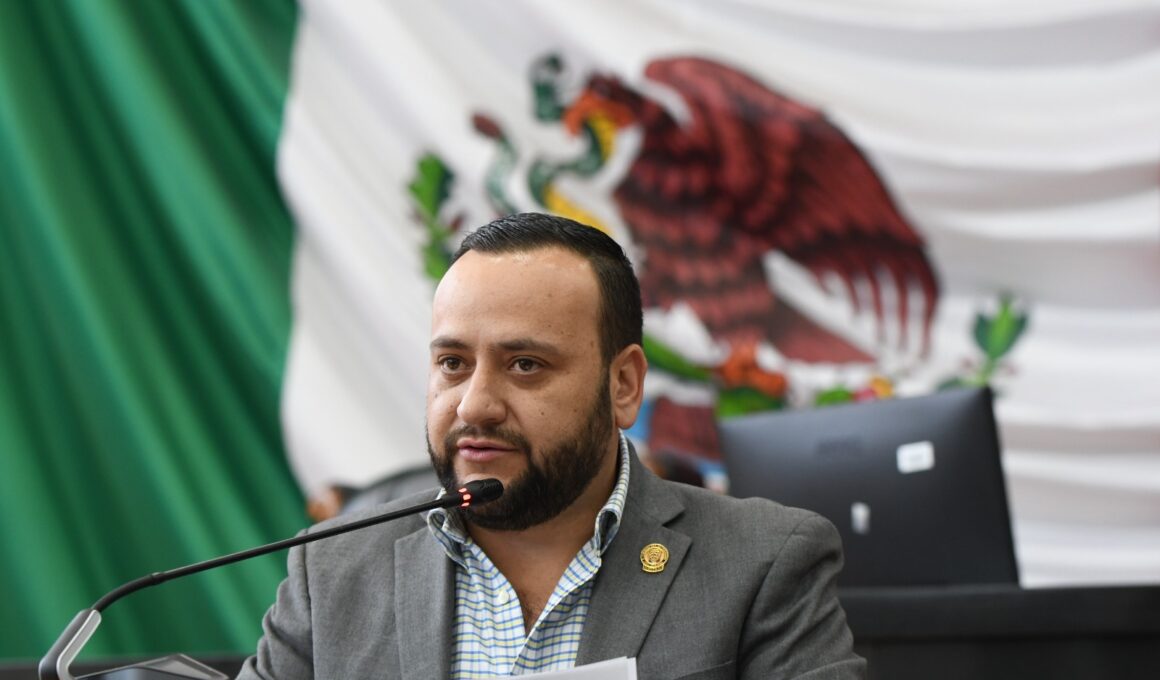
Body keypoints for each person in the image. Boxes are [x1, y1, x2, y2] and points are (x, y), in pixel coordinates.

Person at [237, 212, 865, 679]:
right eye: (453, 363)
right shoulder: (333, 570)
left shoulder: (762, 563)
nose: (474, 405)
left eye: (526, 365)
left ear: (623, 385)